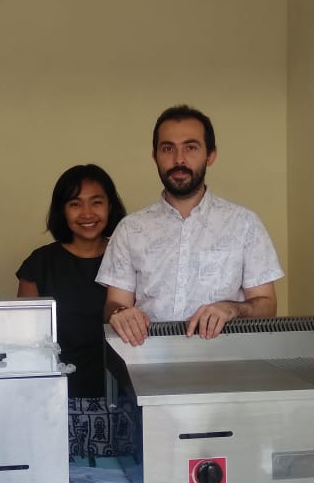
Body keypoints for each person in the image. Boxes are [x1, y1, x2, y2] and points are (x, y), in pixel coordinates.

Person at [97, 104, 284, 346]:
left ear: (210, 156)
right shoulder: (129, 229)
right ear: (155, 156)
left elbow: (267, 305)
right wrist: (120, 313)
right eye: (167, 149)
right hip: (147, 360)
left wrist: (233, 309)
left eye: (191, 147)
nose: (179, 159)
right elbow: (114, 303)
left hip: (228, 361)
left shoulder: (245, 224)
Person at [16, 164, 133, 457]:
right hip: (55, 402)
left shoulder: (129, 258)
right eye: (75, 204)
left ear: (110, 206)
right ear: (62, 210)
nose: (87, 213)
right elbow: (25, 343)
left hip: (122, 401)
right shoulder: (40, 263)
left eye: (97, 202)